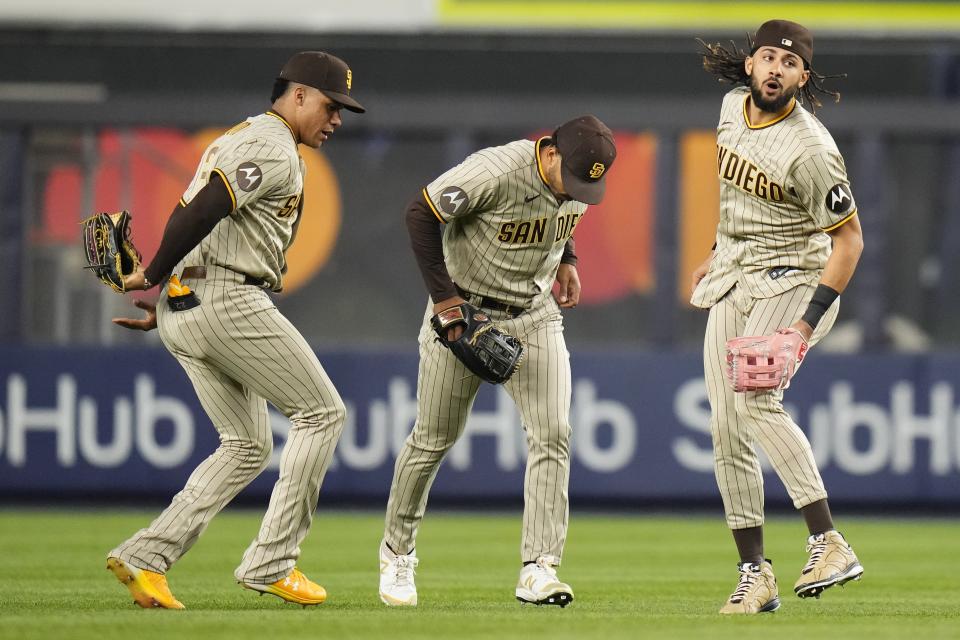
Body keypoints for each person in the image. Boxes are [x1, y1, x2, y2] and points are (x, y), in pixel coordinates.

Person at [104, 51, 365, 609]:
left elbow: (206, 218)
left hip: (193, 298)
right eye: (329, 104)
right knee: (323, 412)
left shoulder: (248, 138)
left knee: (247, 445)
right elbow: (201, 211)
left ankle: (147, 556)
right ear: (296, 95)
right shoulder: (270, 145)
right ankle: (273, 562)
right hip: (225, 296)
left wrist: (171, 296)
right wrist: (152, 274)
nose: (337, 117)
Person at [377, 115, 617, 608]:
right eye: (571, 177)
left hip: (534, 315)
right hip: (463, 311)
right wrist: (445, 302)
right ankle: (397, 553)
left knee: (554, 432)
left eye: (586, 184)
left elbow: (562, 214)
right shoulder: (494, 171)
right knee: (433, 439)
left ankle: (539, 568)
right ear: (548, 150)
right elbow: (420, 213)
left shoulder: (575, 182)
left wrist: (567, 259)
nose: (576, 190)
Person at [691, 20, 865, 614]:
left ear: (802, 78)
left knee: (756, 401)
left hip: (795, 280)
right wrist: (717, 254)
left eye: (788, 64)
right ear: (749, 65)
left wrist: (803, 325)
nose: (775, 69)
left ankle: (828, 541)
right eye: (767, 57)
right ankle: (755, 574)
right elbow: (736, 202)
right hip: (736, 276)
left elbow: (850, 243)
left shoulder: (811, 149)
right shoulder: (728, 109)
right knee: (724, 423)